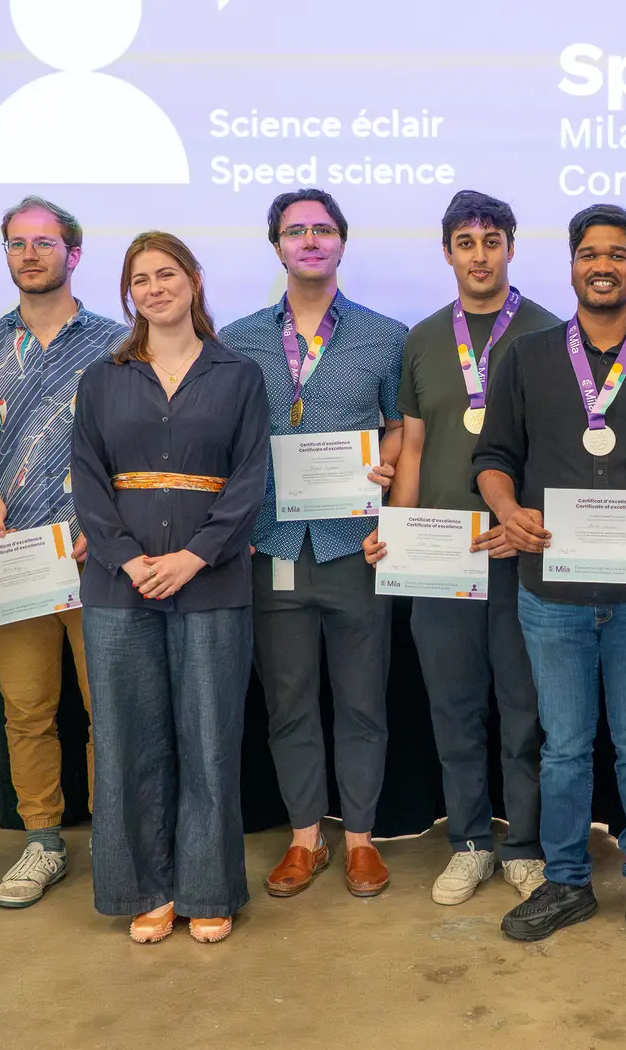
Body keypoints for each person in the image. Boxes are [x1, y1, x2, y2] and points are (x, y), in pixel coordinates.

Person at [475, 204, 626, 955]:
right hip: (551, 588)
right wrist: (509, 512)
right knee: (564, 746)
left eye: (618, 254)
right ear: (572, 265)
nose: (603, 265)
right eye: (589, 254)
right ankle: (569, 882)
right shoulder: (527, 357)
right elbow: (493, 457)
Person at [363, 191, 559, 905]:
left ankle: (528, 844)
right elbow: (411, 445)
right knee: (453, 706)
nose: (479, 255)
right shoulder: (420, 340)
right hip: (440, 553)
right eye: (466, 242)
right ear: (447, 252)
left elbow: (560, 450)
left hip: (519, 553)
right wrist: (397, 526)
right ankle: (471, 842)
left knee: (524, 707)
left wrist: (527, 522)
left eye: (492, 240)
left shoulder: (549, 334)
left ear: (511, 247)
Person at [72, 231, 268, 944]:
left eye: (167, 274)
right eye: (141, 279)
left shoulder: (239, 374)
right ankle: (144, 888)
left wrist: (194, 556)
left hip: (211, 581)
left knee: (210, 736)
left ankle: (208, 887)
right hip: (118, 586)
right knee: (129, 738)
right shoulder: (102, 379)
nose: (155, 288)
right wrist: (128, 559)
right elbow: (88, 483)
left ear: (193, 279)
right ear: (129, 294)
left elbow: (250, 481)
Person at [220, 189, 406, 900]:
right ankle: (306, 839)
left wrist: (388, 479)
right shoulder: (237, 340)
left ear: (341, 242)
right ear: (277, 247)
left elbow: (395, 426)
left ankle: (360, 840)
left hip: (354, 546)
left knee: (362, 702)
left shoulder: (384, 336)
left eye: (322, 229)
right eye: (295, 231)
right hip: (272, 546)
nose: (309, 241)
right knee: (290, 702)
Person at [0, 195, 128, 909]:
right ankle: (43, 840)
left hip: (97, 556)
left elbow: (135, 444)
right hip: (13, 557)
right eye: (17, 243)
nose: (30, 254)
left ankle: (119, 836)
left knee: (109, 709)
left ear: (74, 254)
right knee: (27, 711)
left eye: (45, 242)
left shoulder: (120, 343)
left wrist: (108, 521)